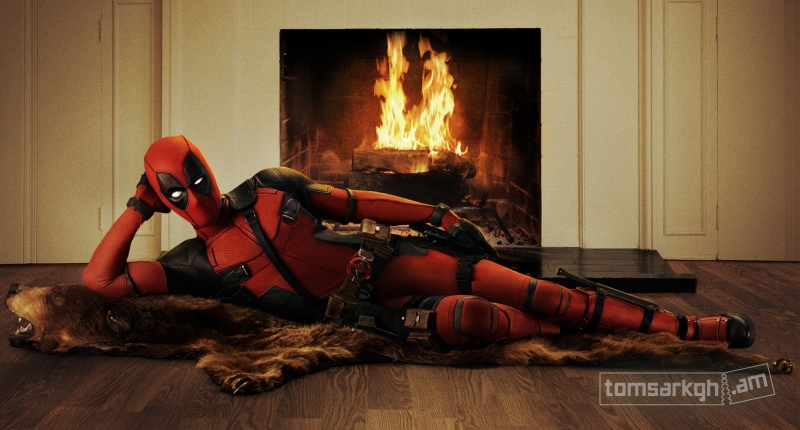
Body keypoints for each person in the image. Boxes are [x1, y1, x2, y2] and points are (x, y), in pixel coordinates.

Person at [82, 135, 755, 349]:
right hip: (368, 318)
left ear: (207, 166)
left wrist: (434, 214)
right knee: (478, 320)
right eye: (176, 193)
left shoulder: (268, 186)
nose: (195, 196)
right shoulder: (193, 264)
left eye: (195, 178)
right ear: (163, 200)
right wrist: (136, 208)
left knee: (536, 290)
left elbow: (356, 202)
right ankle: (563, 332)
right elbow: (100, 283)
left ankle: (686, 329)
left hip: (392, 262)